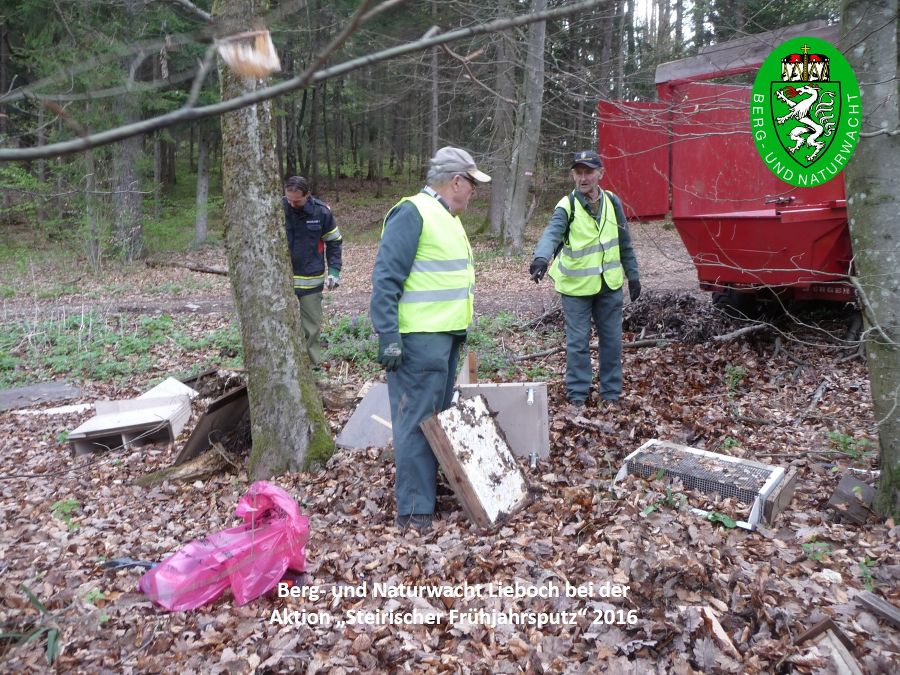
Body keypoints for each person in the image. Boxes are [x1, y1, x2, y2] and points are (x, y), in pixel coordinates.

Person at [370, 146, 490, 533]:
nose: (473, 190)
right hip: (418, 340)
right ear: (455, 181)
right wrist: (388, 336)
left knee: (434, 419)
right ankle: (414, 512)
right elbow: (386, 280)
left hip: (445, 338)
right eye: (471, 183)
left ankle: (425, 498)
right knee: (416, 422)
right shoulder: (412, 212)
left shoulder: (447, 216)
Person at [529, 150, 640, 407]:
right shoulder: (567, 205)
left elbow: (625, 243)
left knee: (611, 341)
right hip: (575, 288)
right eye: (578, 173)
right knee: (577, 343)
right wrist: (541, 259)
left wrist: (633, 275)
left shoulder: (613, 203)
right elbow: (552, 234)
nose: (583, 178)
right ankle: (578, 396)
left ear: (600, 173)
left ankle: (611, 394)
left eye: (588, 172)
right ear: (572, 176)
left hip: (609, 285)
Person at [282, 175, 342, 366]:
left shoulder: (321, 213)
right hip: (282, 281)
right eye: (289, 199)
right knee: (281, 326)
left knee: (311, 327)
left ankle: (312, 367)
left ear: (307, 195)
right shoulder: (278, 208)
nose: (292, 204)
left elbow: (334, 241)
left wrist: (334, 271)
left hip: (311, 279)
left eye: (296, 201)